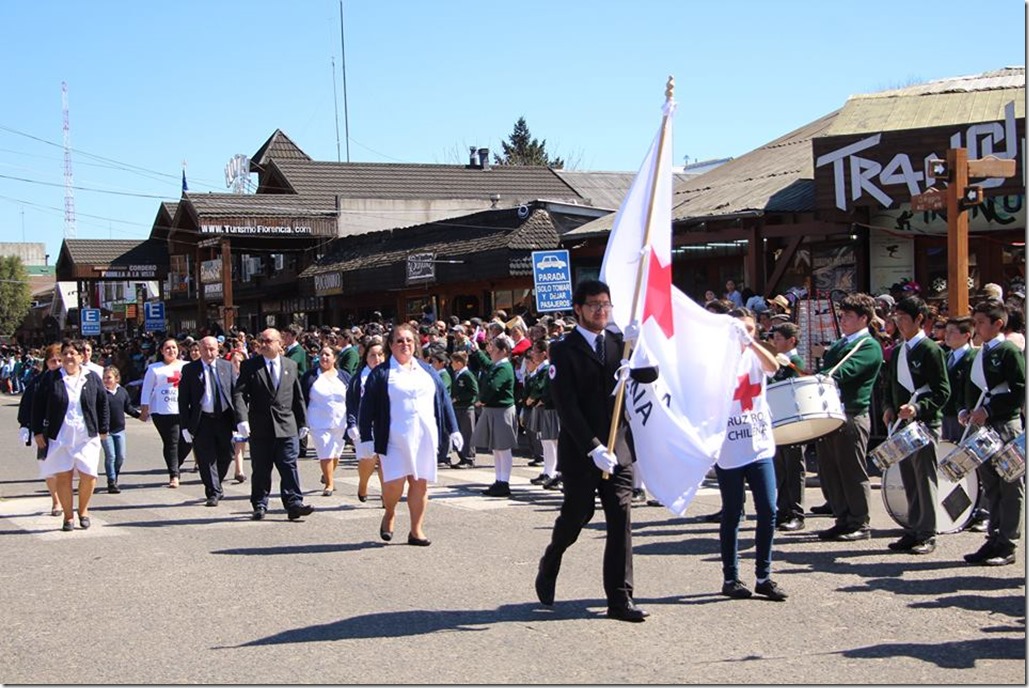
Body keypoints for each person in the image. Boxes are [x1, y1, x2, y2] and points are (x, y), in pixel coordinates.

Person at [535, 279, 647, 622]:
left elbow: (651, 375)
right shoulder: (564, 350)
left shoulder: (619, 342)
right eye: (594, 305)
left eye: (606, 305)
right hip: (583, 451)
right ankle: (553, 555)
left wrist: (641, 351)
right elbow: (566, 407)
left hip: (620, 448)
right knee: (577, 516)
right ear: (579, 310)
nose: (602, 311)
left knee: (620, 520)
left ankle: (619, 598)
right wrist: (593, 447)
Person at [356, 323, 460, 546]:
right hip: (394, 438)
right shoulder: (381, 373)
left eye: (409, 340)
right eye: (400, 341)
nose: (405, 344)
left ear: (415, 344)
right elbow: (366, 408)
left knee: (420, 483)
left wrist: (454, 429)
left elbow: (443, 399)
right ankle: (390, 512)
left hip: (424, 436)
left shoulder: (427, 370)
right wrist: (365, 437)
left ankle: (416, 530)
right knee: (394, 484)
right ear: (391, 346)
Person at [716, 308, 788, 600]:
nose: (744, 332)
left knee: (769, 510)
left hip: (758, 444)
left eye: (750, 328)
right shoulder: (717, 361)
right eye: (739, 328)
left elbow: (773, 367)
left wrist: (751, 342)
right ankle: (731, 577)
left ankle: (764, 576)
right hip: (729, 446)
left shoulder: (756, 356)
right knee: (733, 513)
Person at [959, 299, 1026, 567]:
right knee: (991, 484)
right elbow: (971, 387)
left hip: (1004, 425)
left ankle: (1008, 542)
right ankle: (993, 537)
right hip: (983, 427)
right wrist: (966, 409)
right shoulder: (979, 352)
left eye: (981, 323)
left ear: (998, 324)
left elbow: (1020, 387)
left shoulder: (1009, 351)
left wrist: (990, 410)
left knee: (1010, 484)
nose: (976, 328)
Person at [881, 296, 950, 555]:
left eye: (904, 318)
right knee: (908, 477)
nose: (898, 322)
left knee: (925, 477)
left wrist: (919, 408)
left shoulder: (931, 349)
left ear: (919, 319)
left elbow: (942, 390)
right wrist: (889, 406)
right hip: (902, 424)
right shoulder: (899, 350)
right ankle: (912, 529)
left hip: (925, 423)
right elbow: (891, 385)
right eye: (896, 317)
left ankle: (928, 532)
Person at [814, 293, 884, 541]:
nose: (843, 320)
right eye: (842, 315)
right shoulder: (843, 343)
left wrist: (822, 375)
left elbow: (845, 371)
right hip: (832, 412)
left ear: (864, 318)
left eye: (849, 316)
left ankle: (859, 521)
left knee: (852, 470)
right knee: (831, 469)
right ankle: (842, 517)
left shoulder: (869, 346)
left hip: (851, 413)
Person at [232, 328, 314, 522]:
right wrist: (242, 419)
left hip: (286, 425)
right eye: (262, 340)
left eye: (269, 340)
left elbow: (297, 396)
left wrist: (303, 422)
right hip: (261, 426)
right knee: (261, 468)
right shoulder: (250, 366)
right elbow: (239, 394)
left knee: (288, 465)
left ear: (280, 344)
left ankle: (294, 503)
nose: (264, 344)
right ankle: (260, 504)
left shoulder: (290, 365)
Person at [31, 340, 109, 532]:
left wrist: (104, 428)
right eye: (65, 353)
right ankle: (68, 517)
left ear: (81, 357)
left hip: (86, 435)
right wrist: (37, 431)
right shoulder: (51, 378)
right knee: (63, 476)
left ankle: (83, 511)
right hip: (60, 436)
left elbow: (102, 403)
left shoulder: (92, 378)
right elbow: (37, 406)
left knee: (89, 474)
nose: (68, 357)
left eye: (73, 353)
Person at [179, 336, 238, 507]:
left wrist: (241, 420)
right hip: (202, 419)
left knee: (226, 455)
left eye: (212, 349)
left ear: (218, 349)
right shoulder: (190, 370)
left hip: (224, 418)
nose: (209, 352)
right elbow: (183, 400)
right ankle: (212, 492)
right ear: (199, 350)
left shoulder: (227, 367)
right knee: (206, 458)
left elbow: (235, 394)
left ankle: (216, 483)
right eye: (205, 349)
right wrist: (185, 426)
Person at [768, 322, 807, 532]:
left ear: (791, 340)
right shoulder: (776, 361)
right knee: (780, 468)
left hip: (792, 420)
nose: (775, 342)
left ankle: (796, 513)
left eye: (779, 339)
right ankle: (782, 509)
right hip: (778, 419)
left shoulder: (794, 361)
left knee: (794, 468)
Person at [139, 338, 190, 488]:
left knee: (187, 441)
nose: (171, 350)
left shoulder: (186, 366)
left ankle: (174, 464)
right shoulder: (154, 368)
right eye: (167, 348)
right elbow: (147, 389)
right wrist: (144, 408)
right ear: (161, 351)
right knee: (172, 442)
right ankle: (174, 474)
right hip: (162, 410)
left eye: (174, 347)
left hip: (183, 409)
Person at [301, 345, 351, 496]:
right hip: (318, 422)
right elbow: (301, 398)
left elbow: (352, 398)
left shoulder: (344, 376)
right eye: (322, 354)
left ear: (334, 358)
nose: (324, 358)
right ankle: (329, 484)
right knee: (326, 452)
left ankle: (327, 474)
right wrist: (303, 422)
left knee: (336, 453)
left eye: (328, 355)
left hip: (340, 422)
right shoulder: (310, 377)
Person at [19, 343, 62, 516]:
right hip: (45, 430)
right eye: (53, 361)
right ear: (47, 362)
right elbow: (27, 404)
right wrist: (26, 426)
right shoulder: (39, 381)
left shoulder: (74, 379)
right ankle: (56, 501)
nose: (57, 364)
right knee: (49, 466)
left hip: (70, 430)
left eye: (60, 360)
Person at [473, 336, 519, 497]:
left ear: (503, 351)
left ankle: (504, 482)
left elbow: (494, 386)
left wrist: (482, 400)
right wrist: (476, 351)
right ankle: (499, 480)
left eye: (493, 348)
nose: (490, 350)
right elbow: (487, 365)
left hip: (502, 410)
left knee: (503, 448)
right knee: (496, 449)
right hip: (494, 409)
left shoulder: (504, 368)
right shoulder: (497, 365)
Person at [346, 337, 387, 502]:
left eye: (380, 355)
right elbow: (351, 402)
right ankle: (363, 484)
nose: (376, 359)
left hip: (386, 425)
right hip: (364, 425)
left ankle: (387, 495)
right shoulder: (359, 378)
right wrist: (351, 423)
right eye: (372, 355)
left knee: (385, 461)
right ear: (366, 357)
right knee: (368, 460)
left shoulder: (391, 375)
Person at [525, 338, 561, 490]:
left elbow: (547, 388)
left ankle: (556, 473)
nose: (532, 354)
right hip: (546, 407)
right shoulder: (543, 369)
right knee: (546, 441)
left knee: (553, 442)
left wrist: (540, 399)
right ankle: (548, 471)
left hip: (552, 407)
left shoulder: (550, 368)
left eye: (535, 351)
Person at [100, 366, 140, 494]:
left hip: (119, 430)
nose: (106, 380)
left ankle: (115, 475)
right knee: (110, 455)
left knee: (120, 457)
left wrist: (140, 415)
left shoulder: (122, 392)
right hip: (105, 431)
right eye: (104, 378)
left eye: (109, 377)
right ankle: (111, 481)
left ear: (116, 378)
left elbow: (128, 408)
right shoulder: (101, 393)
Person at [449, 350, 479, 469]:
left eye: (453, 362)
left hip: (466, 408)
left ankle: (469, 458)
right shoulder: (457, 374)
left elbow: (474, 391)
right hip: (458, 408)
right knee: (460, 432)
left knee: (467, 434)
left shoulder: (467, 375)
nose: (451, 364)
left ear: (460, 363)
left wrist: (458, 398)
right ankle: (462, 457)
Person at [228, 348, 248, 484]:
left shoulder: (247, 376)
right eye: (234, 361)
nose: (237, 364)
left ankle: (239, 470)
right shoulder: (226, 376)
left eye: (240, 361)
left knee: (240, 442)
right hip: (228, 413)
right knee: (229, 444)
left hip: (242, 413)